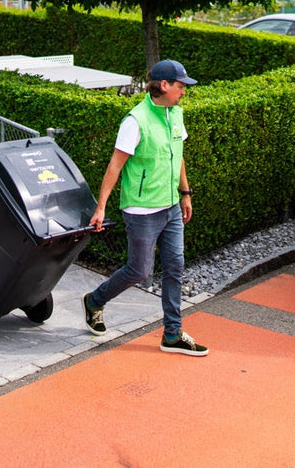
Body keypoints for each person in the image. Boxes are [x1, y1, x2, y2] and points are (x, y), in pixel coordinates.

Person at [82, 59, 208, 357]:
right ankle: (94, 300)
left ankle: (172, 334)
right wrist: (101, 207)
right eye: (181, 86)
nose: (184, 92)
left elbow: (178, 154)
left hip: (171, 207)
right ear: (164, 85)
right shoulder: (135, 121)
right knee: (139, 271)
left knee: (175, 267)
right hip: (141, 210)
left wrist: (185, 193)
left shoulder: (175, 114)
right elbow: (115, 165)